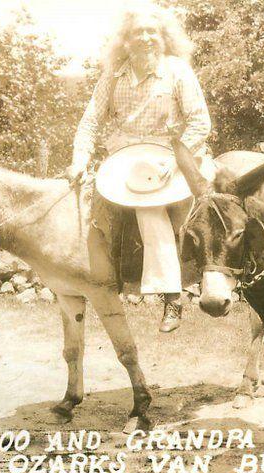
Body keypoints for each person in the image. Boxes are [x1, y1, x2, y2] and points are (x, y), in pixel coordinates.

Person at [66, 4, 215, 333]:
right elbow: (90, 122)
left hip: (172, 154)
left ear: (163, 37)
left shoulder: (177, 70)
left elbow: (199, 122)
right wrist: (79, 159)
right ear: (125, 40)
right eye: (138, 32)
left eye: (153, 31)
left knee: (153, 210)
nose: (147, 38)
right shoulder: (113, 75)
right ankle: (103, 278)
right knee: (90, 206)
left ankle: (173, 293)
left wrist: (175, 159)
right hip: (125, 158)